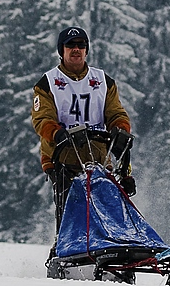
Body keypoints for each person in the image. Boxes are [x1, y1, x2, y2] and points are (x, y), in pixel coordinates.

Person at [31, 26, 136, 239]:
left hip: (98, 156)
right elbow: (42, 119)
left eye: (81, 45)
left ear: (87, 50)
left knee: (107, 203)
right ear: (62, 50)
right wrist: (58, 134)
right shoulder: (48, 83)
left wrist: (120, 131)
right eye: (70, 45)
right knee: (70, 207)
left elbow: (116, 113)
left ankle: (111, 244)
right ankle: (66, 247)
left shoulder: (103, 81)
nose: (76, 49)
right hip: (62, 158)